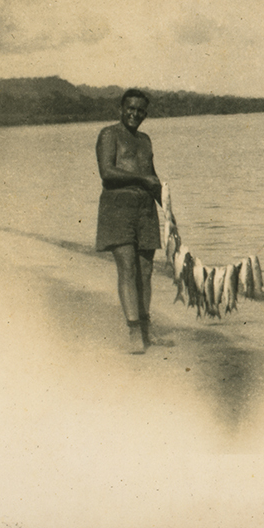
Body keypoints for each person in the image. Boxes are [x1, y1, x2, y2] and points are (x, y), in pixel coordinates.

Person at [96, 89, 174, 354]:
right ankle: (134, 332)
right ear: (121, 108)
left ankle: (146, 329)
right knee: (128, 268)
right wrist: (141, 179)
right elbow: (107, 172)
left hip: (145, 209)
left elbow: (152, 178)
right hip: (118, 207)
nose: (135, 114)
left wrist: (169, 213)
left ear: (146, 114)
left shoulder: (145, 140)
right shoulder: (109, 134)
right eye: (130, 108)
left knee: (146, 271)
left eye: (140, 110)